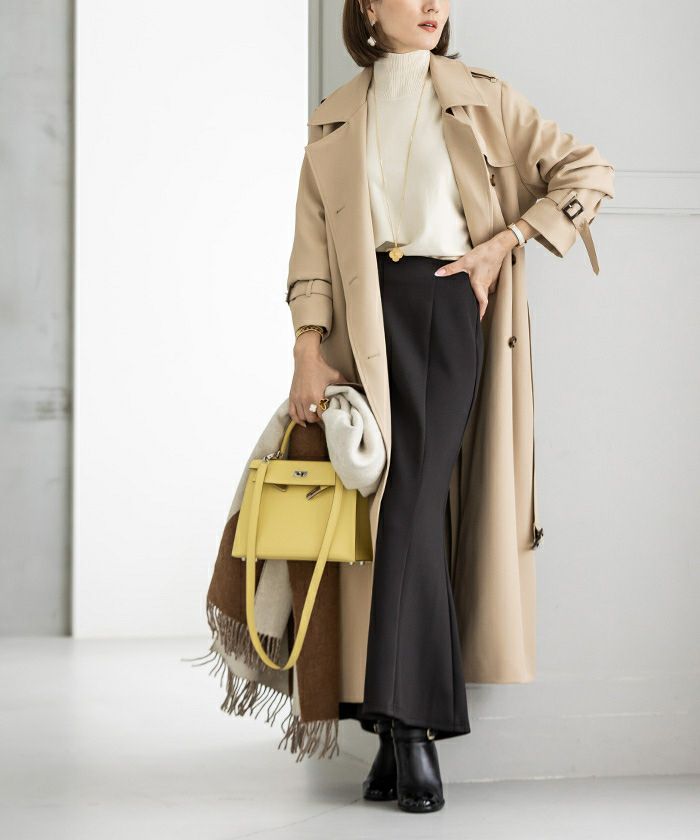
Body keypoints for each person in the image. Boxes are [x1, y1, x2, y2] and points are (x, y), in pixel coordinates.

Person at [287, 0, 613, 815]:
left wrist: (501, 246)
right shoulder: (333, 117)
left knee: (410, 500)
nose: (433, 4)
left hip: (443, 303)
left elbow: (588, 172)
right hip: (362, 322)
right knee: (386, 512)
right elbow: (312, 251)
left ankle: (408, 731)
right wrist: (306, 352)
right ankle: (393, 728)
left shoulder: (484, 96)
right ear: (368, 6)